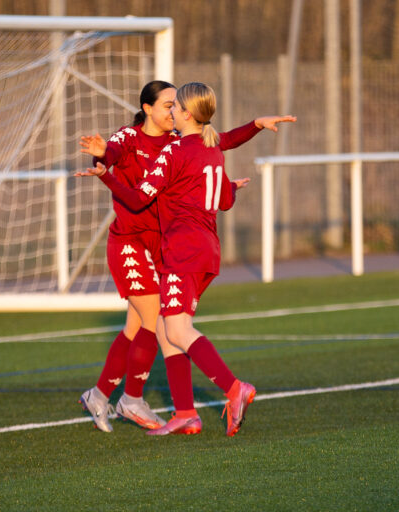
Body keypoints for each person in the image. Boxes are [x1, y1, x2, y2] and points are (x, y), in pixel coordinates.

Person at [77, 80, 294, 433]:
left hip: (171, 246)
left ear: (186, 113)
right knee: (158, 323)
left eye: (175, 105)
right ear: (147, 109)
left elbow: (219, 143)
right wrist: (103, 157)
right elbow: (113, 153)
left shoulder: (177, 146)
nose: (171, 110)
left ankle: (117, 397)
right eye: (166, 104)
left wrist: (104, 176)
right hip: (141, 243)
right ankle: (166, 407)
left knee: (157, 326)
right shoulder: (132, 137)